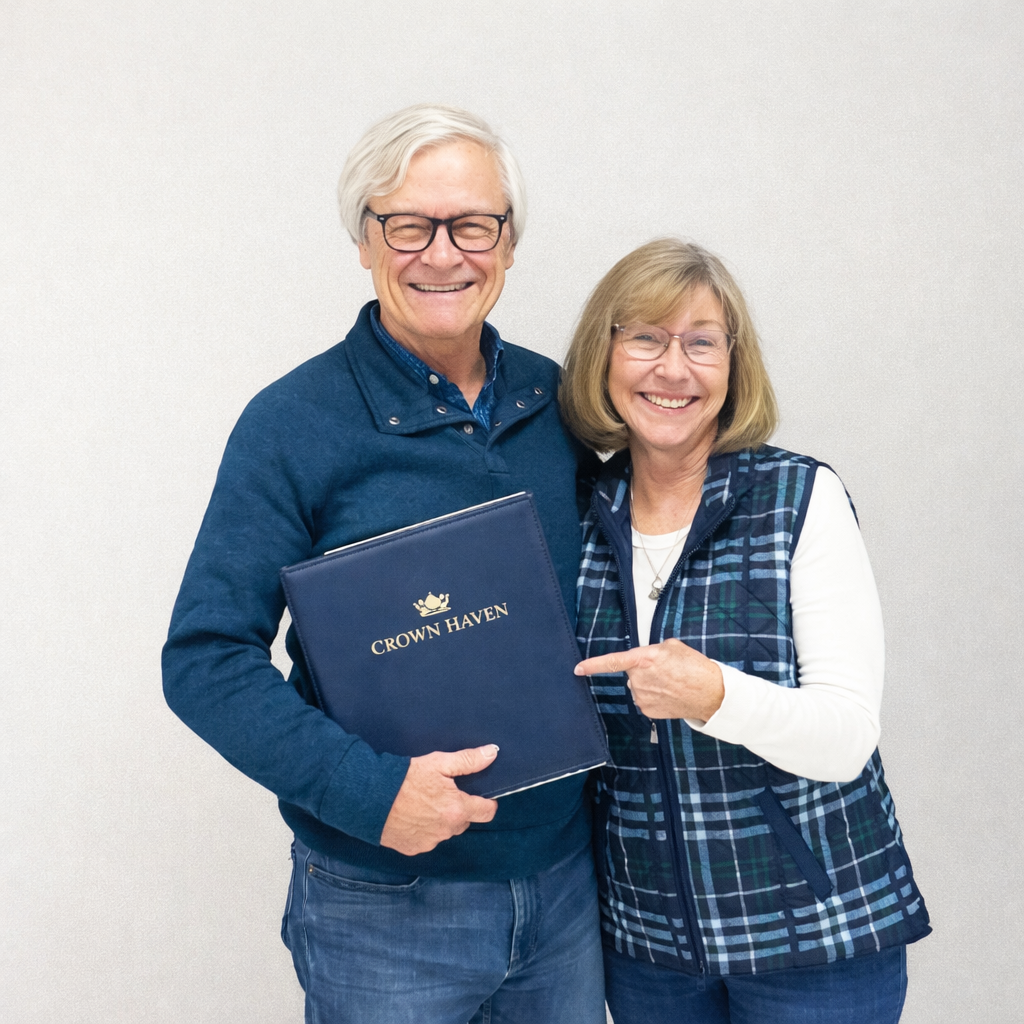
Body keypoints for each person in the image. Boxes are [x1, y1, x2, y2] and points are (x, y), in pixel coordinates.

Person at [162, 105, 605, 1024]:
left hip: (566, 889)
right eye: (409, 225)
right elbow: (205, 660)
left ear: (510, 243)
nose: (443, 254)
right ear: (364, 241)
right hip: (384, 908)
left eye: (473, 225)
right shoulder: (291, 424)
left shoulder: (567, 402)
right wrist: (369, 794)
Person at [562, 238, 930, 1023]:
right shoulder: (577, 518)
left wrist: (715, 694)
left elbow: (844, 737)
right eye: (645, 339)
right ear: (604, 354)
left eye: (701, 342)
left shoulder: (799, 499)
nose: (673, 369)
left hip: (815, 939)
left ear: (734, 366)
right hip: (648, 948)